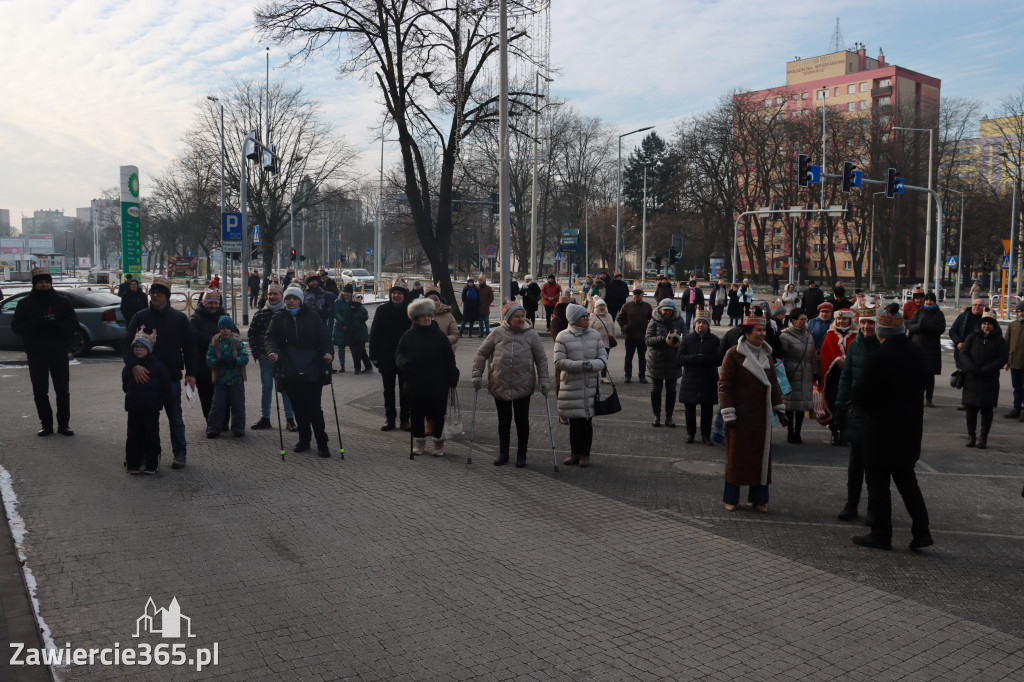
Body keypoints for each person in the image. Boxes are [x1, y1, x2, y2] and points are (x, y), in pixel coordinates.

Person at [850, 308, 932, 551]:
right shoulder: (917, 352)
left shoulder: (879, 356)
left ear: (880, 331)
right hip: (909, 429)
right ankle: (922, 532)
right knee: (908, 482)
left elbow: (860, 393)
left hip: (881, 431)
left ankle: (881, 534)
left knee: (878, 485)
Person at [123, 276, 197, 470]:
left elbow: (190, 347)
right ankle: (142, 455)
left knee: (175, 418)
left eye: (159, 293)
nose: (154, 296)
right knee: (143, 421)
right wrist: (134, 366)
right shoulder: (140, 317)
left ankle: (179, 452)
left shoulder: (179, 319)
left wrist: (191, 373)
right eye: (152, 293)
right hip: (145, 378)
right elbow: (126, 345)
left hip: (170, 377)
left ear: (167, 296)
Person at [718, 312, 788, 512]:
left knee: (761, 458)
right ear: (747, 332)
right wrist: (728, 413)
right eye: (758, 330)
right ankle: (731, 498)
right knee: (736, 458)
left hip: (762, 417)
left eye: (764, 330)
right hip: (739, 416)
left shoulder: (767, 354)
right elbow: (724, 386)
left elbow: (773, 384)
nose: (763, 334)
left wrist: (780, 409)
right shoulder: (733, 354)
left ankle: (759, 498)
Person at [472, 302, 550, 467]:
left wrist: (544, 381)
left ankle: (522, 454)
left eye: (522, 316)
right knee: (504, 421)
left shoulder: (531, 335)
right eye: (517, 316)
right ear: (508, 318)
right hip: (500, 384)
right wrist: (477, 374)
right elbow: (481, 354)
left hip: (523, 384)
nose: (521, 319)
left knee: (522, 421)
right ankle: (503, 453)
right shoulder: (497, 333)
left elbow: (541, 359)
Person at [266, 286, 333, 457]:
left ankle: (322, 442)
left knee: (314, 408)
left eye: (295, 298)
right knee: (298, 407)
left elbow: (325, 336)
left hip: (313, 367)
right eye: (288, 298)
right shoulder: (278, 317)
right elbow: (270, 337)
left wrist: (328, 352)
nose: (291, 301)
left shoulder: (312, 316)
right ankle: (304, 440)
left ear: (300, 300)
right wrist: (271, 351)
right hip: (290, 367)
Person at [12, 266, 79, 436]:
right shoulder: (24, 304)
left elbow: (73, 324)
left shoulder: (63, 302)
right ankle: (46, 425)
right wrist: (38, 322)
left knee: (62, 391)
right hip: (37, 353)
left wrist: (57, 324)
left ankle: (64, 425)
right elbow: (17, 327)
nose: (44, 285)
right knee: (40, 392)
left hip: (58, 352)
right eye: (40, 282)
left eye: (47, 282)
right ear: (34, 284)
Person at [833, 305, 881, 522]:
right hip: (856, 410)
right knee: (855, 465)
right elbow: (846, 376)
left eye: (871, 323)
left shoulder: (882, 346)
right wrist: (839, 405)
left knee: (874, 466)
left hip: (876, 412)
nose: (866, 326)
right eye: (863, 323)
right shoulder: (854, 345)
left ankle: (873, 509)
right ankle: (851, 505)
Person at [396, 298, 459, 457]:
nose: (427, 318)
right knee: (417, 414)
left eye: (429, 315)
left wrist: (452, 374)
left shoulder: (439, 336)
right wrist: (405, 362)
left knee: (438, 414)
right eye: (423, 316)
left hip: (438, 383)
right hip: (415, 383)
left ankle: (438, 442)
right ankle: (419, 441)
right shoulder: (408, 336)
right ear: (415, 318)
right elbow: (399, 354)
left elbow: (449, 358)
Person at [554, 304, 607, 468]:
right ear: (574, 319)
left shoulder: (595, 335)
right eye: (584, 317)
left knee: (586, 422)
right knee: (574, 422)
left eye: (587, 316)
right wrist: (580, 366)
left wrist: (590, 365)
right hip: (571, 386)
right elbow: (559, 361)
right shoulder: (563, 336)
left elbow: (603, 359)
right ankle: (574, 453)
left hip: (590, 386)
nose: (588, 319)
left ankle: (585, 454)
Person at [122, 330, 173, 474]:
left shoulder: (158, 367)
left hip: (151, 408)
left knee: (152, 437)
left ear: (149, 349)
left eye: (142, 347)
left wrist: (161, 400)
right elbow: (125, 385)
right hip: (134, 407)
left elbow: (166, 386)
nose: (138, 349)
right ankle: (132, 464)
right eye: (136, 347)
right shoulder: (129, 368)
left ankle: (152, 465)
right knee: (133, 437)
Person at [248, 284, 297, 432]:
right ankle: (265, 417)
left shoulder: (288, 314)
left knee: (285, 388)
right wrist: (258, 353)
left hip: (284, 359)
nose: (272, 297)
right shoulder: (260, 314)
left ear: (282, 295)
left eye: (275, 294)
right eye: (270, 294)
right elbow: (252, 334)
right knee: (267, 388)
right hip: (266, 358)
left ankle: (290, 418)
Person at [961, 314, 1008, 449]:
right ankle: (971, 436)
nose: (986, 326)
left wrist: (986, 369)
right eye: (984, 324)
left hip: (989, 379)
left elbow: (1002, 358)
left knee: (987, 410)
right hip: (972, 378)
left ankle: (983, 437)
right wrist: (972, 367)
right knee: (971, 409)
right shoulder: (972, 337)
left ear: (994, 326)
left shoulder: (999, 340)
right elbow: (964, 353)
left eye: (989, 324)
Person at [369, 281, 412, 431]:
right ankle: (390, 419)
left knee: (405, 390)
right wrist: (373, 355)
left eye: (399, 293)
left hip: (406, 357)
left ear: (404, 295)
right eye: (394, 292)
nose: (396, 295)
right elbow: (374, 333)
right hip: (386, 356)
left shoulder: (410, 311)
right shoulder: (382, 310)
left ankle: (405, 420)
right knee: (388, 390)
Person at [677, 312, 720, 444]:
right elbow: (679, 357)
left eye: (704, 323)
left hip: (708, 378)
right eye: (699, 322)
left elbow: (719, 359)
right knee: (690, 408)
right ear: (695, 324)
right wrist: (694, 358)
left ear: (708, 325)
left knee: (707, 409)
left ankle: (706, 435)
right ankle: (690, 434)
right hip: (690, 378)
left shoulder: (714, 340)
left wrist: (706, 359)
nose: (701, 325)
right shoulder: (687, 339)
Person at [190, 289, 232, 421]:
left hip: (223, 365)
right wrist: (215, 339)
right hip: (202, 364)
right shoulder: (196, 318)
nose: (213, 306)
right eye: (210, 303)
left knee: (224, 395)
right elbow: (193, 335)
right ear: (203, 302)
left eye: (216, 303)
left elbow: (234, 333)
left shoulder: (224, 316)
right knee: (206, 396)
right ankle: (211, 421)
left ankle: (224, 422)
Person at [204, 315, 249, 438]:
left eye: (228, 328)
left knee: (238, 406)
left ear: (231, 329)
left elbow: (245, 358)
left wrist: (235, 360)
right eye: (223, 328)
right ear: (219, 329)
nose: (225, 331)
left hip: (236, 380)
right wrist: (217, 362)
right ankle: (213, 428)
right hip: (221, 381)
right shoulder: (214, 343)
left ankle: (238, 428)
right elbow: (208, 360)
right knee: (217, 406)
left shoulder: (237, 342)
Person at [778, 310, 817, 444]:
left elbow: (813, 355)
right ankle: (790, 432)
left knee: (802, 404)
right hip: (791, 371)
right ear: (793, 321)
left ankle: (798, 432)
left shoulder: (808, 334)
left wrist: (815, 371)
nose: (804, 322)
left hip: (806, 372)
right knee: (790, 404)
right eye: (802, 319)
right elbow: (780, 356)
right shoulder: (785, 336)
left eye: (805, 319)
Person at [645, 298, 685, 428]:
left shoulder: (679, 320)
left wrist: (678, 340)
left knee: (671, 390)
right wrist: (663, 339)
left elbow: (686, 335)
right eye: (665, 310)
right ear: (660, 309)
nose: (667, 312)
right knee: (656, 389)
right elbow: (648, 340)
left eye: (670, 310)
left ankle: (669, 417)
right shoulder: (654, 321)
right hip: (656, 360)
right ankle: (656, 416)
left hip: (673, 360)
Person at [819, 308, 856, 446]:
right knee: (834, 403)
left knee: (848, 404)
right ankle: (835, 432)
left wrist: (848, 362)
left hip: (850, 377)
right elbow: (825, 353)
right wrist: (837, 360)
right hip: (834, 377)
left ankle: (845, 433)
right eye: (839, 319)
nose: (841, 321)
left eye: (844, 319)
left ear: (850, 320)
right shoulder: (830, 335)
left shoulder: (856, 335)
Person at [908, 291, 946, 407]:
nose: (929, 302)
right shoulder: (918, 312)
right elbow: (911, 326)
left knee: (929, 375)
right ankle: (916, 398)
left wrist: (928, 326)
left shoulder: (939, 314)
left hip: (932, 349)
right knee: (917, 375)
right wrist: (919, 326)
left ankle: (929, 399)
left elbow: (941, 328)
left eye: (931, 300)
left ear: (934, 302)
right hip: (917, 347)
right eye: (927, 300)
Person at [950, 299, 987, 411]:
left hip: (981, 353)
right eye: (975, 305)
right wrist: (958, 342)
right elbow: (953, 330)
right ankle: (966, 402)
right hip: (964, 352)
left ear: (984, 307)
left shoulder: (987, 318)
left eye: (980, 305)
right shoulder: (963, 316)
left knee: (980, 379)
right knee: (966, 379)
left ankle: (980, 402)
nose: (977, 307)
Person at [617, 288, 653, 384]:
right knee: (628, 357)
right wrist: (625, 327)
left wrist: (649, 329)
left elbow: (652, 319)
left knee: (642, 358)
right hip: (630, 336)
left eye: (638, 294)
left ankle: (642, 376)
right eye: (635, 294)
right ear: (632, 295)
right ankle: (627, 376)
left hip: (642, 337)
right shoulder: (626, 306)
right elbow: (620, 318)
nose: (637, 296)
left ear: (642, 295)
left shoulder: (647, 306)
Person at [1004, 301, 1024, 420]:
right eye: (1019, 311)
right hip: (1014, 362)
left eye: (1023, 311)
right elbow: (1006, 343)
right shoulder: (1013, 325)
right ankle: (1017, 408)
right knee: (1016, 387)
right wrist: (1006, 361)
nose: (1021, 313)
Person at [590, 298, 616, 383]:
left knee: (604, 359)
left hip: (607, 342)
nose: (602, 307)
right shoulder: (592, 316)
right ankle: (593, 375)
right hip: (596, 342)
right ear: (596, 307)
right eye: (600, 305)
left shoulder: (609, 315)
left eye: (603, 305)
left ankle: (603, 376)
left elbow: (612, 328)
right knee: (595, 359)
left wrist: (613, 338)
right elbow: (589, 329)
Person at [331, 284, 355, 373]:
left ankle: (356, 366)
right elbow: (336, 313)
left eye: (348, 292)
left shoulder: (354, 302)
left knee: (353, 347)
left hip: (351, 327)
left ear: (351, 293)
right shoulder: (338, 301)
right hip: (340, 327)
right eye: (345, 292)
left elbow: (361, 313)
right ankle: (342, 366)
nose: (346, 294)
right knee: (341, 347)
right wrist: (343, 322)